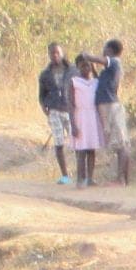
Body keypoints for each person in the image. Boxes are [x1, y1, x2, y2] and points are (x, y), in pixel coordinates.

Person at [38, 44, 74, 185]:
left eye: (57, 53)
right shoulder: (45, 74)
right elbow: (41, 94)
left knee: (77, 141)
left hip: (69, 110)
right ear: (49, 54)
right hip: (54, 110)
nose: (55, 56)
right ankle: (65, 175)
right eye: (52, 53)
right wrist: (43, 106)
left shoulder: (71, 71)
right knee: (58, 142)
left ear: (62, 53)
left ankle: (81, 173)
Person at [97, 40, 132, 186]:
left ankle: (121, 179)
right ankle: (123, 179)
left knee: (122, 144)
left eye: (105, 48)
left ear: (110, 50)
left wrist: (87, 56)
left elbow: (101, 60)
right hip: (109, 105)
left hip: (112, 106)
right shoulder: (110, 68)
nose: (103, 51)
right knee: (120, 144)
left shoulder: (114, 62)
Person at [67, 55, 103, 188]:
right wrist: (73, 124)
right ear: (77, 67)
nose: (86, 68)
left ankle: (90, 178)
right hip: (80, 117)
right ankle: (80, 179)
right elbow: (70, 103)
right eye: (82, 66)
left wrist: (95, 71)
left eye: (88, 65)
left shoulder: (96, 82)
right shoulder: (74, 82)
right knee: (81, 150)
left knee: (91, 150)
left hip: (93, 118)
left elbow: (101, 91)